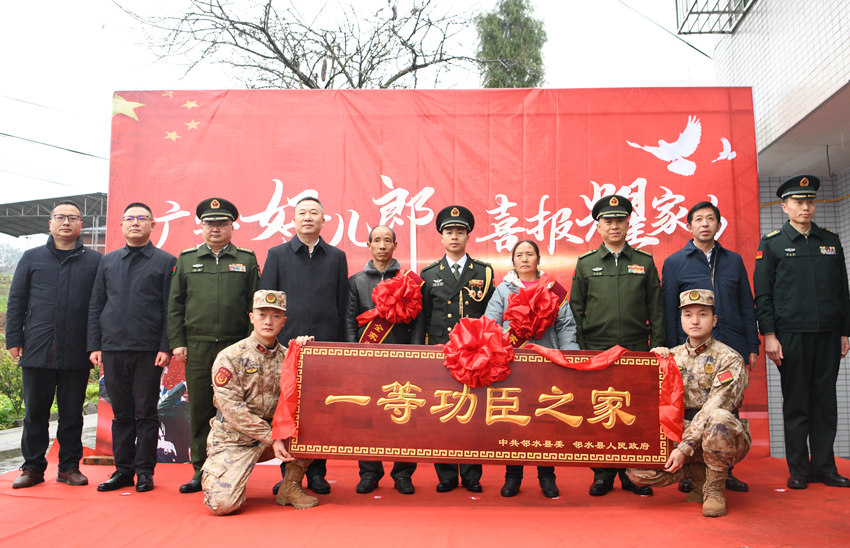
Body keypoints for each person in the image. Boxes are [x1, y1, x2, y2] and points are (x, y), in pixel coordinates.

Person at [753, 175, 850, 490]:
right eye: (797, 201)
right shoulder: (773, 243)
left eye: (809, 200)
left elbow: (842, 290)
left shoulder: (830, 241)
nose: (805, 206)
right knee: (796, 402)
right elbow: (763, 294)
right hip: (791, 335)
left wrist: (845, 331)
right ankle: (799, 469)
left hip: (828, 334)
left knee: (825, 401)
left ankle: (825, 466)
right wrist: (769, 334)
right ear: (784, 206)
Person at [569, 194, 664, 497]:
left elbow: (656, 309)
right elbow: (575, 309)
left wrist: (658, 347)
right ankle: (602, 474)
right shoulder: (586, 264)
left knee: (634, 411)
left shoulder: (644, 262)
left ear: (627, 224)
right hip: (598, 349)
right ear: (598, 226)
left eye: (619, 220)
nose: (614, 226)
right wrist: (582, 349)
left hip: (637, 349)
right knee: (599, 411)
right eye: (608, 221)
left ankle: (633, 474)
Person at [661, 200, 758, 493]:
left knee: (727, 408)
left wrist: (752, 343)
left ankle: (724, 471)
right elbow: (668, 310)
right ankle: (692, 470)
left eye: (710, 219)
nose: (705, 224)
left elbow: (746, 303)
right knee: (691, 407)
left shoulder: (733, 260)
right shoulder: (675, 262)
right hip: (690, 349)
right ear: (689, 226)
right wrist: (671, 347)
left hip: (731, 343)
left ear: (718, 224)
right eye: (698, 219)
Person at [627, 289, 751, 517]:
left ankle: (714, 490)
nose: (694, 320)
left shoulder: (730, 359)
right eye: (687, 314)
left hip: (720, 433)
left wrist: (685, 447)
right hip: (681, 429)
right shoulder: (671, 356)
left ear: (714, 320)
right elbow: (648, 402)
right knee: (636, 469)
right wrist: (652, 362)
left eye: (702, 314)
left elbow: (716, 405)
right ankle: (697, 475)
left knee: (719, 419)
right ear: (681, 320)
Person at [6, 201, 102, 488]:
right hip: (37, 347)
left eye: (73, 218)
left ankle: (69, 466)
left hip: (77, 348)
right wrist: (14, 339)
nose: (66, 223)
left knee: (72, 413)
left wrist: (95, 344)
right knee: (35, 413)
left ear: (81, 224)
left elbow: (98, 307)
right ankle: (33, 468)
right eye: (60, 217)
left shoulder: (95, 261)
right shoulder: (32, 258)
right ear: (51, 223)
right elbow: (16, 302)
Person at [167, 197, 259, 493]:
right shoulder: (186, 260)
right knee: (200, 409)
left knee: (233, 410)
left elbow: (253, 306)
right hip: (197, 346)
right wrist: (178, 343)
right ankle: (199, 470)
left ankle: (230, 469)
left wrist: (249, 345)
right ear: (202, 227)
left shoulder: (246, 260)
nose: (216, 228)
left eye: (222, 223)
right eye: (210, 223)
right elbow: (175, 306)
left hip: (235, 349)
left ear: (232, 226)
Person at [260, 196, 348, 495]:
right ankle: (289, 473)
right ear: (293, 220)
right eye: (302, 213)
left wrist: (339, 345)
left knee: (320, 410)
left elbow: (341, 302)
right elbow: (266, 303)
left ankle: (318, 473)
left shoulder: (336, 257)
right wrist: (271, 341)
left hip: (325, 347)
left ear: (324, 221)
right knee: (287, 409)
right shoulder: (277, 255)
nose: (308, 217)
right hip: (287, 345)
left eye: (314, 213)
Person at [202, 290, 318, 515]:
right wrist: (271, 437)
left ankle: (289, 486)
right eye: (262, 314)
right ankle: (230, 479)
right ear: (251, 317)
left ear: (284, 322)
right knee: (223, 505)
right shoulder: (230, 357)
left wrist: (309, 352)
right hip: (235, 438)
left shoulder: (290, 356)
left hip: (277, 438)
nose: (268, 321)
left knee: (312, 427)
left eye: (275, 316)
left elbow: (313, 393)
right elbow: (233, 411)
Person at [88, 203, 177, 493]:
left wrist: (165, 345)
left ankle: (145, 472)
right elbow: (96, 305)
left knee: (146, 413)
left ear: (153, 225)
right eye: (129, 218)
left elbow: (170, 309)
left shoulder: (166, 261)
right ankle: (123, 470)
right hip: (112, 349)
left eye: (142, 219)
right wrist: (95, 345)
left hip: (149, 351)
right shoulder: (108, 261)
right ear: (122, 225)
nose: (135, 223)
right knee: (122, 414)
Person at [484, 239, 578, 498]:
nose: (524, 259)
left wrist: (568, 358)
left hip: (547, 362)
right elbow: (491, 325)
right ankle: (512, 476)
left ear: (538, 259)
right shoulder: (503, 290)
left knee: (545, 419)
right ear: (513, 260)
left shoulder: (553, 289)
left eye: (530, 254)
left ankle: (547, 476)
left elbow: (566, 326)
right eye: (519, 255)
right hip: (513, 364)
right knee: (513, 419)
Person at [413, 205, 495, 493]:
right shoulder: (430, 273)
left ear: (468, 236)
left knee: (473, 411)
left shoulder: (483, 272)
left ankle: (472, 474)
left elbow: (490, 314)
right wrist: (419, 351)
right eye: (449, 232)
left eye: (460, 232)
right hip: (441, 350)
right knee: (443, 411)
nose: (455, 237)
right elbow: (423, 316)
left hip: (475, 353)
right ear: (441, 237)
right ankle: (446, 474)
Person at [344, 225, 418, 495]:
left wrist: (414, 353)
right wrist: (353, 352)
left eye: (388, 240)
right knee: (368, 416)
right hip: (367, 358)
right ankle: (369, 472)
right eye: (377, 240)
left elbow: (418, 321)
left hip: (402, 357)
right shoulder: (357, 281)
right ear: (369, 245)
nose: (382, 245)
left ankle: (403, 473)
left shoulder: (410, 280)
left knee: (406, 414)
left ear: (395, 245)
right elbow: (350, 320)